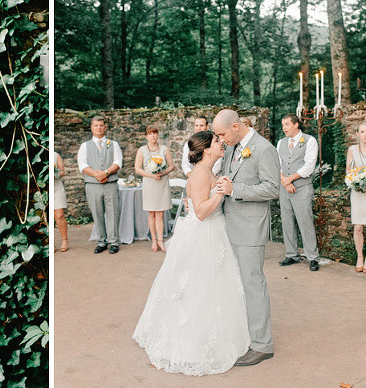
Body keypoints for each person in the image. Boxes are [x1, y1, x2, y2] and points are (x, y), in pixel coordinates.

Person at [133, 131, 250, 376]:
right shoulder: (199, 175)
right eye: (217, 141)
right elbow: (200, 213)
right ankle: (191, 346)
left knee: (215, 288)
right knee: (197, 289)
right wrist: (220, 192)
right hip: (203, 235)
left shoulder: (208, 171)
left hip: (215, 233)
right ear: (207, 149)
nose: (222, 144)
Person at [213, 109, 280, 366]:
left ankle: (263, 345)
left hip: (251, 228)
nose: (220, 139)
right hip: (230, 223)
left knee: (253, 284)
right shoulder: (233, 146)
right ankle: (246, 335)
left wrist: (235, 189)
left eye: (222, 133)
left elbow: (272, 188)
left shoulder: (264, 149)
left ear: (235, 126)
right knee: (237, 283)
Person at [276, 114, 320, 271]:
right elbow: (278, 164)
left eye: (287, 124)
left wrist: (290, 179)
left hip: (302, 188)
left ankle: (313, 257)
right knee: (287, 221)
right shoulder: (281, 142)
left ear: (296, 125)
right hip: (285, 188)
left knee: (305, 221)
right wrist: (284, 181)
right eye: (283, 124)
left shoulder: (310, 140)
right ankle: (292, 254)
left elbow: (309, 167)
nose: (284, 127)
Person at [77, 116, 122, 254]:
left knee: (113, 212)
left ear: (105, 127)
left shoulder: (113, 144)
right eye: (96, 125)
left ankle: (114, 242)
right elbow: (82, 165)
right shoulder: (85, 146)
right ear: (91, 128)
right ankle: (101, 241)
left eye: (101, 125)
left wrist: (106, 173)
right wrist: (97, 175)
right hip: (92, 185)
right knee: (97, 213)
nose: (99, 128)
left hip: (110, 184)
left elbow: (118, 162)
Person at [134, 125, 175, 252]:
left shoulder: (164, 149)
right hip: (149, 183)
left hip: (161, 183)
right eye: (150, 134)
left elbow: (171, 166)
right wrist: (151, 175)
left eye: (155, 133)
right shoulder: (142, 150)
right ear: (146, 136)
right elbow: (138, 169)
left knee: (160, 213)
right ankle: (154, 240)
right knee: (151, 213)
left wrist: (161, 173)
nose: (153, 136)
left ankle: (161, 241)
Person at [345, 122, 366, 273]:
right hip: (357, 192)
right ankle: (359, 256)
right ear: (357, 134)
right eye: (362, 132)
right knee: (357, 227)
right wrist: (354, 179)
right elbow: (348, 172)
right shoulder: (352, 150)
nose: (365, 135)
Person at [54, 152, 69, 252]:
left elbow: (63, 171)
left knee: (59, 215)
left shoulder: (55, 155)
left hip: (56, 187)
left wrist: (54, 173)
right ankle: (52, 242)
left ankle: (65, 240)